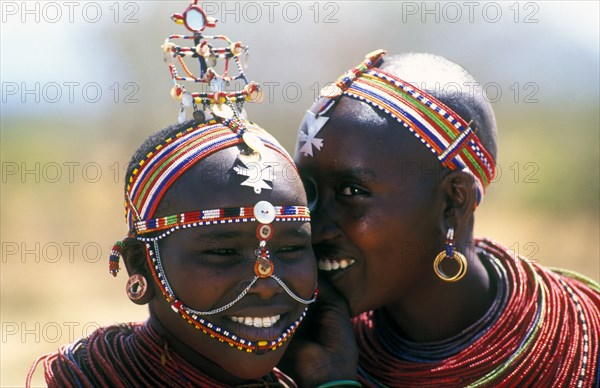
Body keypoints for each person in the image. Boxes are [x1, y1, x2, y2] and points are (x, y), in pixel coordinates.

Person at [290, 49, 600, 387]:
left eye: (351, 192)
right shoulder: (287, 352)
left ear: (454, 201)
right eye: (307, 191)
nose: (314, 228)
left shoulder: (589, 346)